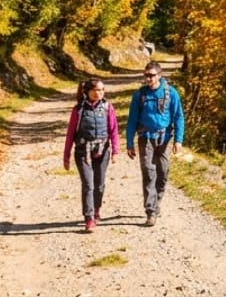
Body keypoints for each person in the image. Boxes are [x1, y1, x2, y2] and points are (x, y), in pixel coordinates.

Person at [125, 60, 184, 227]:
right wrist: (129, 142)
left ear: (160, 75)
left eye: (151, 76)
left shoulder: (171, 93)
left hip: (165, 138)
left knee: (163, 173)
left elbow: (178, 117)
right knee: (149, 173)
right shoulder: (140, 95)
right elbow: (132, 120)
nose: (148, 79)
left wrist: (178, 140)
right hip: (146, 138)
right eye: (146, 76)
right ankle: (150, 210)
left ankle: (156, 203)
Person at [62, 77, 119, 233]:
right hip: (83, 151)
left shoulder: (108, 107)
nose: (100, 93)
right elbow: (70, 134)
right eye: (97, 90)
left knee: (99, 184)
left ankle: (96, 209)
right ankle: (89, 218)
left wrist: (115, 151)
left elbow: (113, 130)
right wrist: (66, 156)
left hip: (102, 150)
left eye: (102, 90)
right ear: (88, 92)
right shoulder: (78, 110)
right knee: (88, 185)